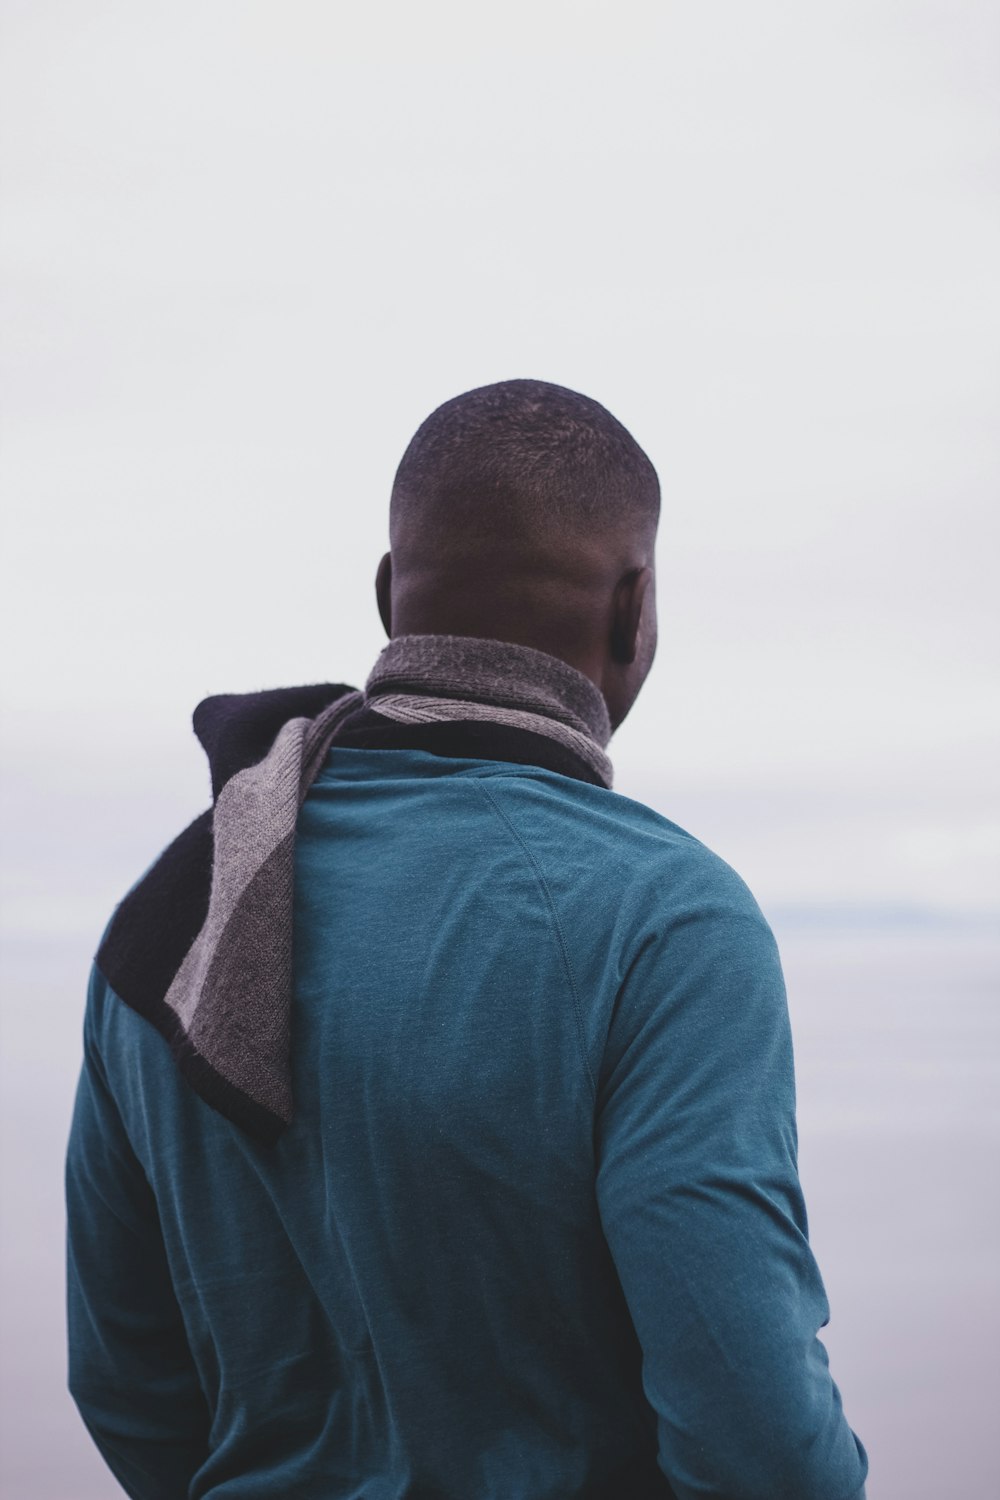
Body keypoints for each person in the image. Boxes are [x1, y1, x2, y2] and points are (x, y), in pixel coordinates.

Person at [65, 378, 869, 1500]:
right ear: (634, 609)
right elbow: (758, 1445)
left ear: (393, 596)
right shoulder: (666, 918)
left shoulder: (176, 911)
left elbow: (124, 1386)